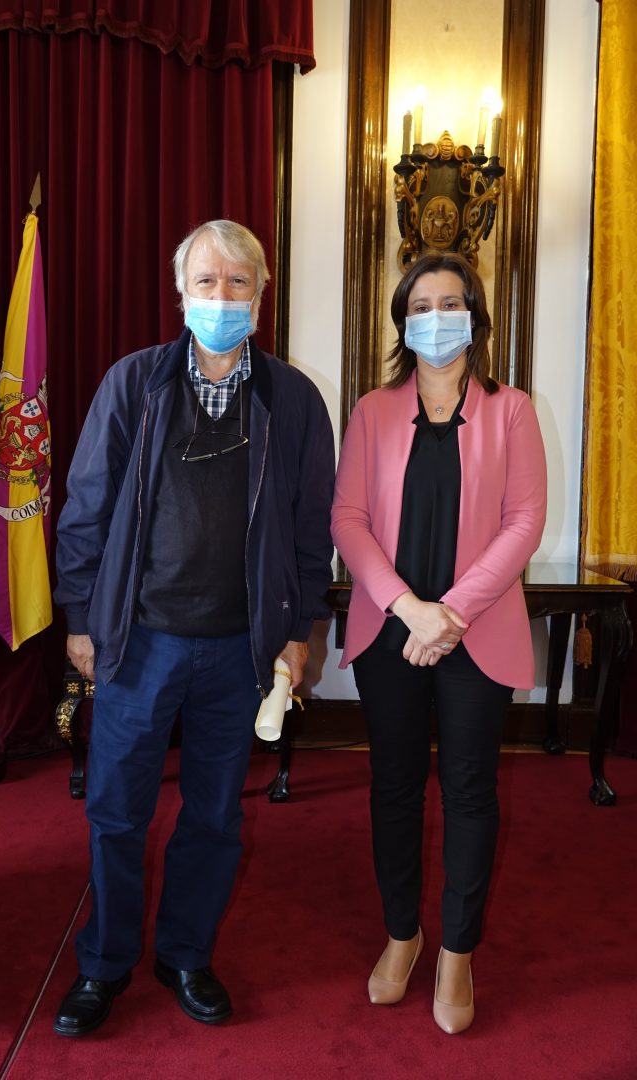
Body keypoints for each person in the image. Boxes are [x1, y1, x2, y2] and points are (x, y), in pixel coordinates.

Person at [52, 220, 335, 1036]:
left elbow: (310, 528)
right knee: (116, 812)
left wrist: (299, 629)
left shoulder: (294, 400)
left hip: (240, 650)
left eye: (238, 282)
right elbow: (86, 507)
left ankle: (184, 954)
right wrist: (82, 618)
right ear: (181, 295)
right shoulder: (132, 384)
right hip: (139, 640)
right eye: (206, 282)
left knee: (214, 815)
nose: (221, 297)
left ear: (260, 296)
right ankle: (104, 963)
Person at [331, 252, 547, 1035]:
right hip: (390, 633)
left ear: (475, 317)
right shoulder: (371, 411)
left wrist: (447, 613)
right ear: (402, 322)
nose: (435, 318)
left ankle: (456, 950)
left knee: (469, 791)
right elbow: (348, 520)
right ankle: (403, 934)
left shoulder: (511, 411)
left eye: (450, 303)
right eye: (420, 306)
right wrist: (407, 609)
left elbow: (524, 522)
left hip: (475, 632)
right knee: (393, 787)